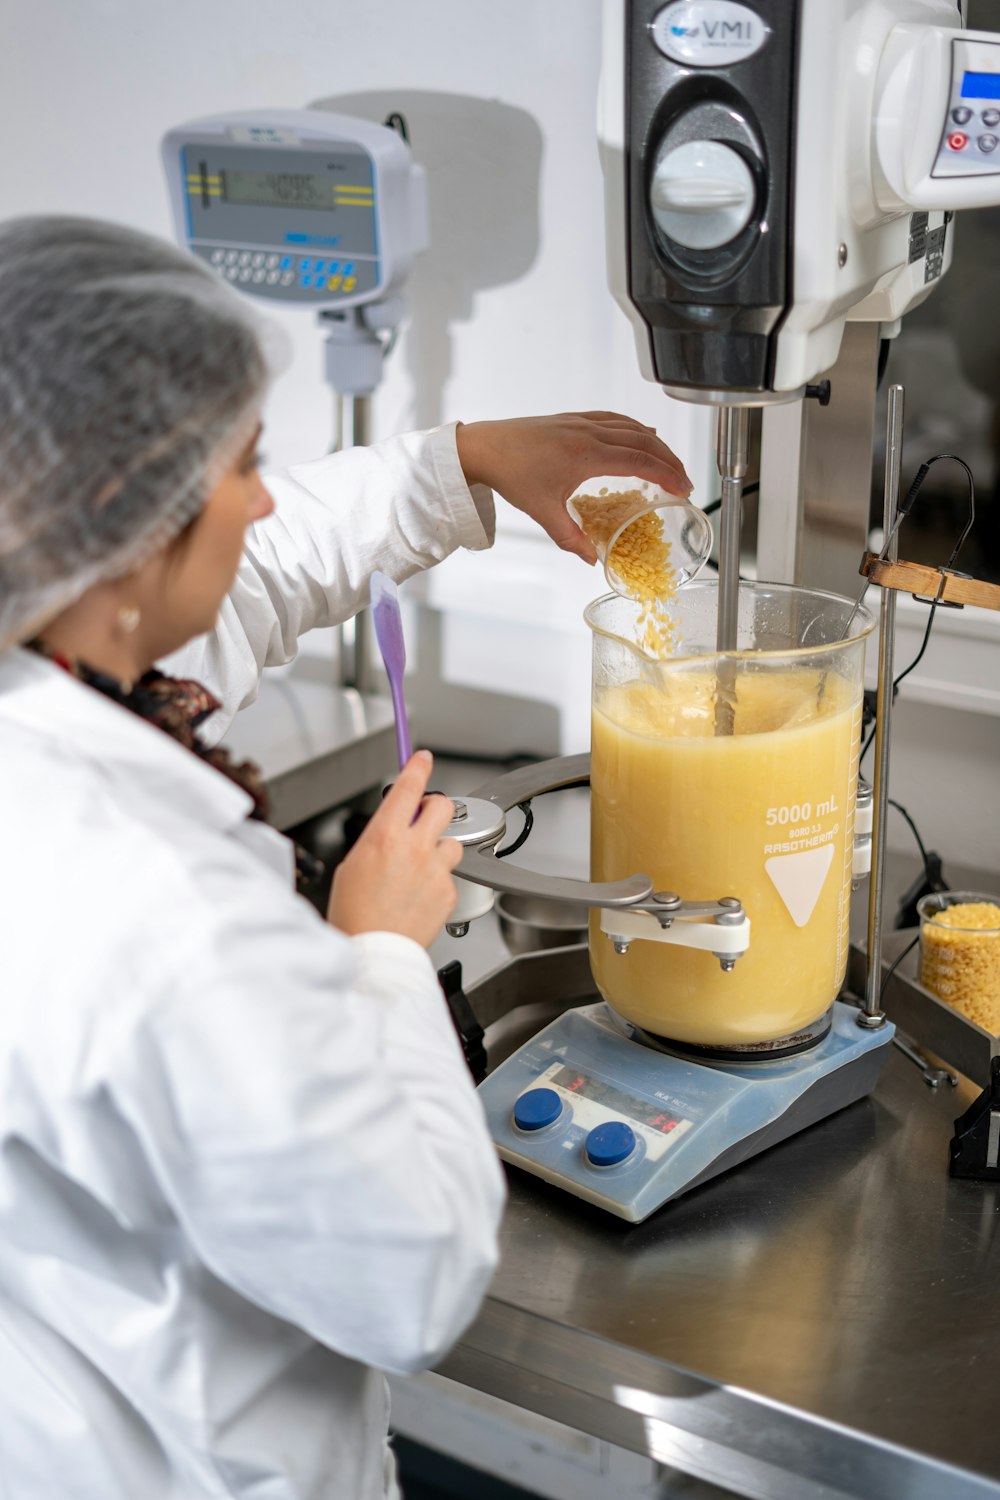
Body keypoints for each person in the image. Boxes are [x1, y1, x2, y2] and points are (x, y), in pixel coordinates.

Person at [0, 216, 692, 1500]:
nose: (265, 497)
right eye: (243, 465)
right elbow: (409, 1278)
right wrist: (379, 945)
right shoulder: (152, 896)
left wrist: (470, 460)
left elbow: (254, 565)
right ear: (116, 510)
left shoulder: (57, 652)